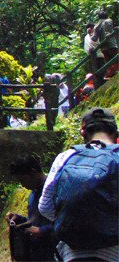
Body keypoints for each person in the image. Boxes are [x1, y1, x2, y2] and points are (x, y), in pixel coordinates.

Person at [38, 107, 119, 262]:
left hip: (72, 253)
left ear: (83, 133)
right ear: (116, 134)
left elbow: (44, 206)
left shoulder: (66, 157)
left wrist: (68, 221)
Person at [7, 154, 54, 261]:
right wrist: (18, 219)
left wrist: (42, 231)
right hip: (37, 253)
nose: (22, 185)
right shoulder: (33, 194)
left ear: (33, 172)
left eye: (23, 180)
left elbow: (68, 222)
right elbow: (34, 221)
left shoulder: (53, 190)